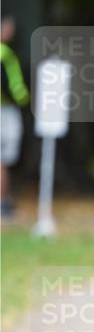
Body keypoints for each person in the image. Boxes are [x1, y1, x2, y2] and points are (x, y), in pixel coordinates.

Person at [1, 17, 30, 218]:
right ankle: (2, 201)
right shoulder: (4, 53)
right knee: (2, 159)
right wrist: (24, 99)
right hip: (5, 111)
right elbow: (12, 86)